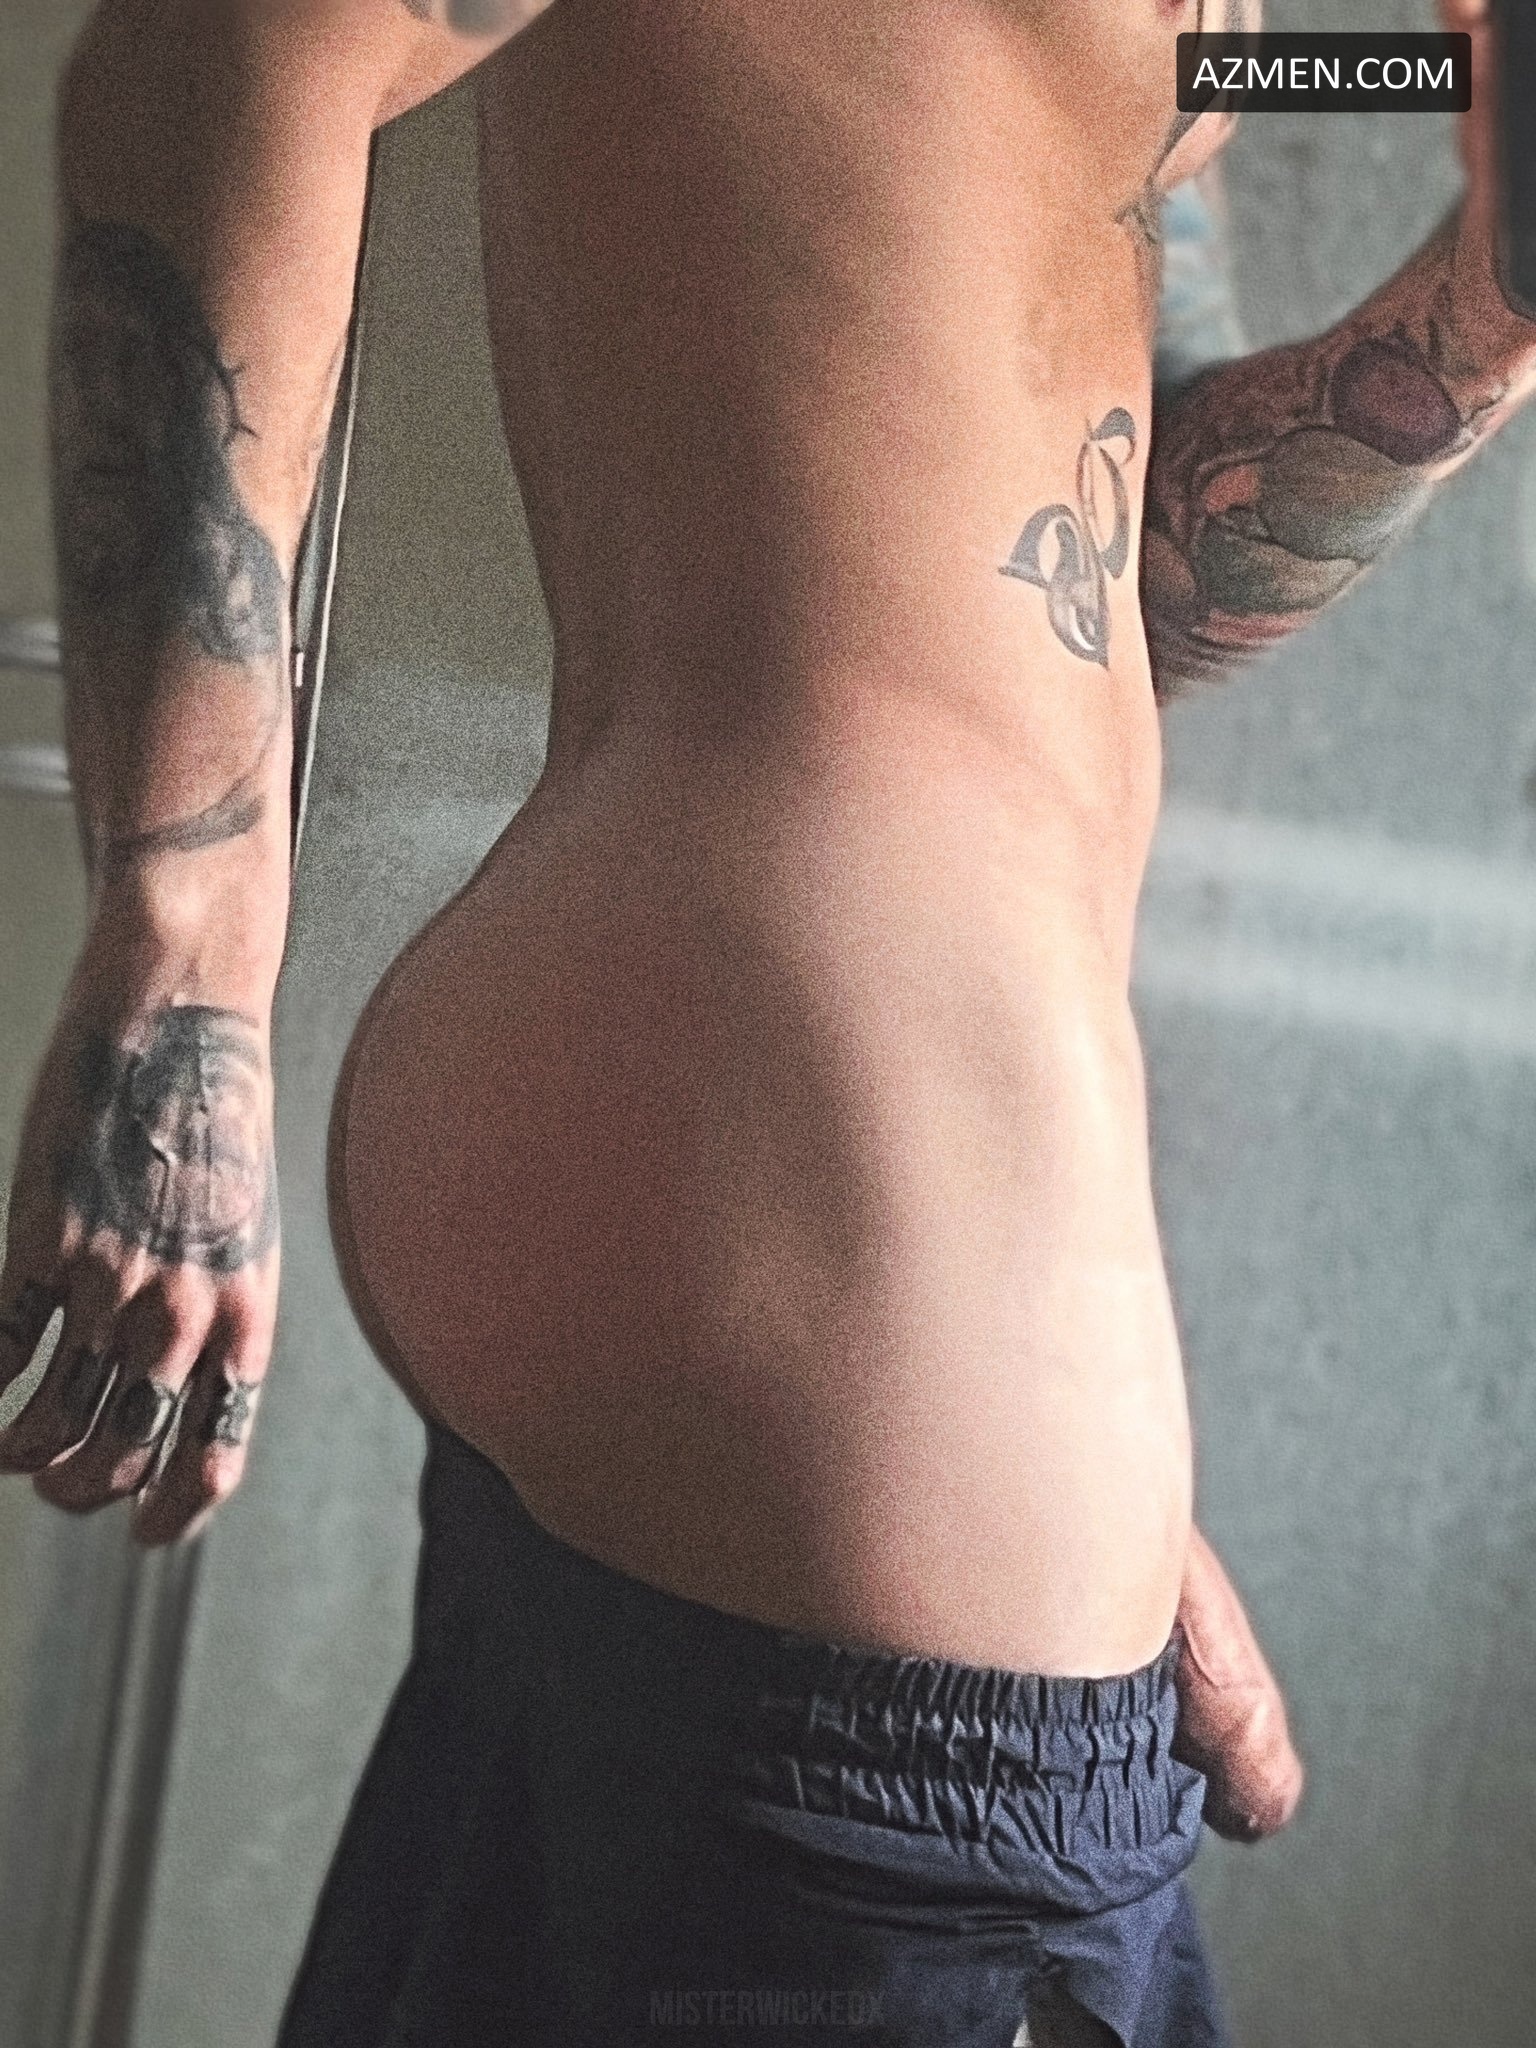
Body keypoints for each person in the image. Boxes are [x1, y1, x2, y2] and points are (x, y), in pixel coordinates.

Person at [0, 0, 1521, 2039]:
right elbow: (222, 48)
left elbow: (1102, 550)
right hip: (828, 1230)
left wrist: (1489, 307)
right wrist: (189, 946)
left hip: (840, 1301)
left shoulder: (1288, 44)